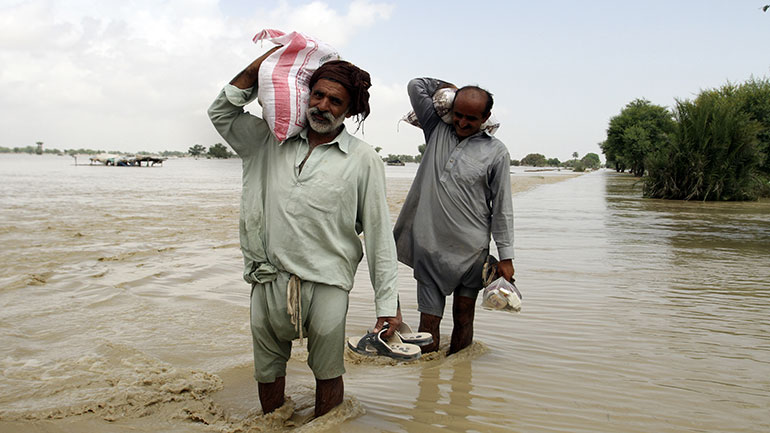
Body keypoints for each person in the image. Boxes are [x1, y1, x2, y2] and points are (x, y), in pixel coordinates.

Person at [208, 48, 401, 418]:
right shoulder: (268, 140)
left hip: (327, 282)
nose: (323, 106)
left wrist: (386, 307)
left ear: (350, 110)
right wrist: (257, 68)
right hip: (268, 277)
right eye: (318, 95)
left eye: (335, 101)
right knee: (266, 371)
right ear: (306, 95)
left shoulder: (363, 159)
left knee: (328, 372)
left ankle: (327, 423)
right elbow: (221, 112)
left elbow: (378, 236)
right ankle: (273, 423)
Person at [393, 77, 514, 355]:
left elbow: (502, 209)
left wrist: (506, 258)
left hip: (471, 253)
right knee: (428, 324)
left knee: (463, 318)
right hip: (429, 248)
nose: (461, 122)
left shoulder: (496, 152)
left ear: (485, 118)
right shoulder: (436, 130)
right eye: (457, 114)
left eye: (471, 118)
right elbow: (415, 86)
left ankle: (461, 379)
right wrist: (454, 88)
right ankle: (428, 385)